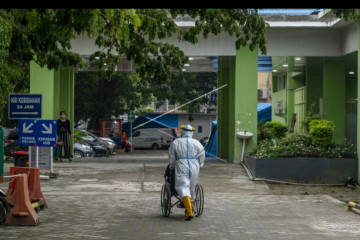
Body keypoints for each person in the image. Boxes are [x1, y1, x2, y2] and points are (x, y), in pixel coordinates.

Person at [168, 124, 205, 221]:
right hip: (194, 165)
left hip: (181, 164)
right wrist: (200, 164)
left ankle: (189, 212)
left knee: (182, 186)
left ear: (183, 131)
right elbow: (202, 155)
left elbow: (171, 156)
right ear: (191, 132)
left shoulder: (177, 142)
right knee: (192, 187)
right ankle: (190, 207)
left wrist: (172, 166)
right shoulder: (197, 143)